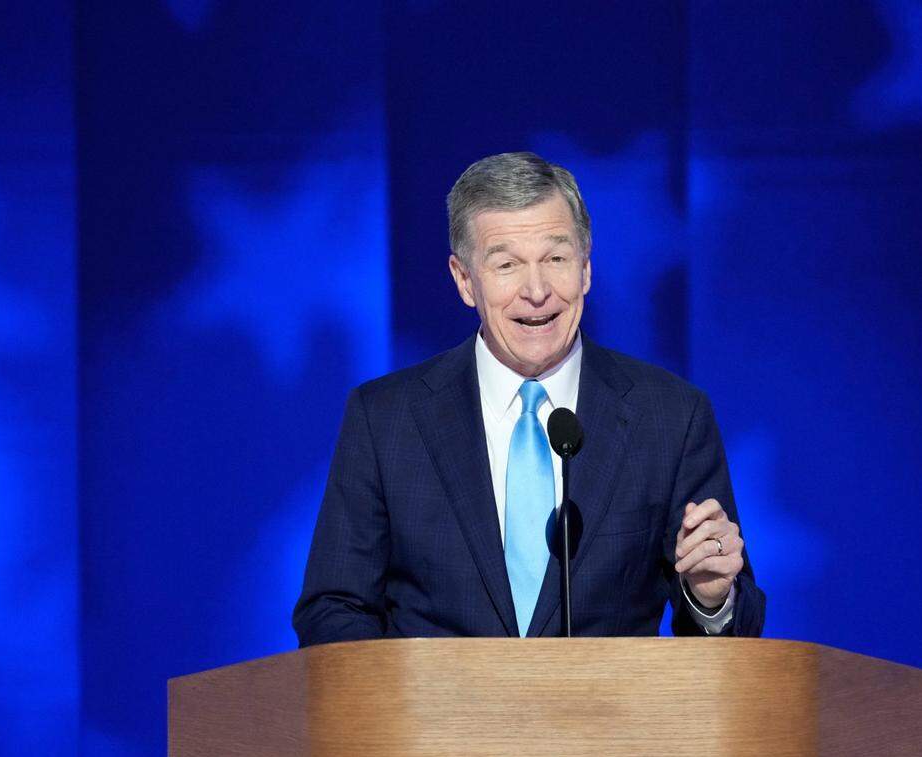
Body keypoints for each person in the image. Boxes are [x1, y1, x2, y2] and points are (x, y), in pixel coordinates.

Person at [293, 152, 765, 642]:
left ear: (585, 268)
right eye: (507, 265)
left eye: (556, 259)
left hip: (606, 717)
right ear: (464, 280)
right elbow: (333, 609)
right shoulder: (385, 419)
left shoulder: (670, 416)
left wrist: (711, 598)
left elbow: (736, 630)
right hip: (437, 716)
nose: (536, 290)